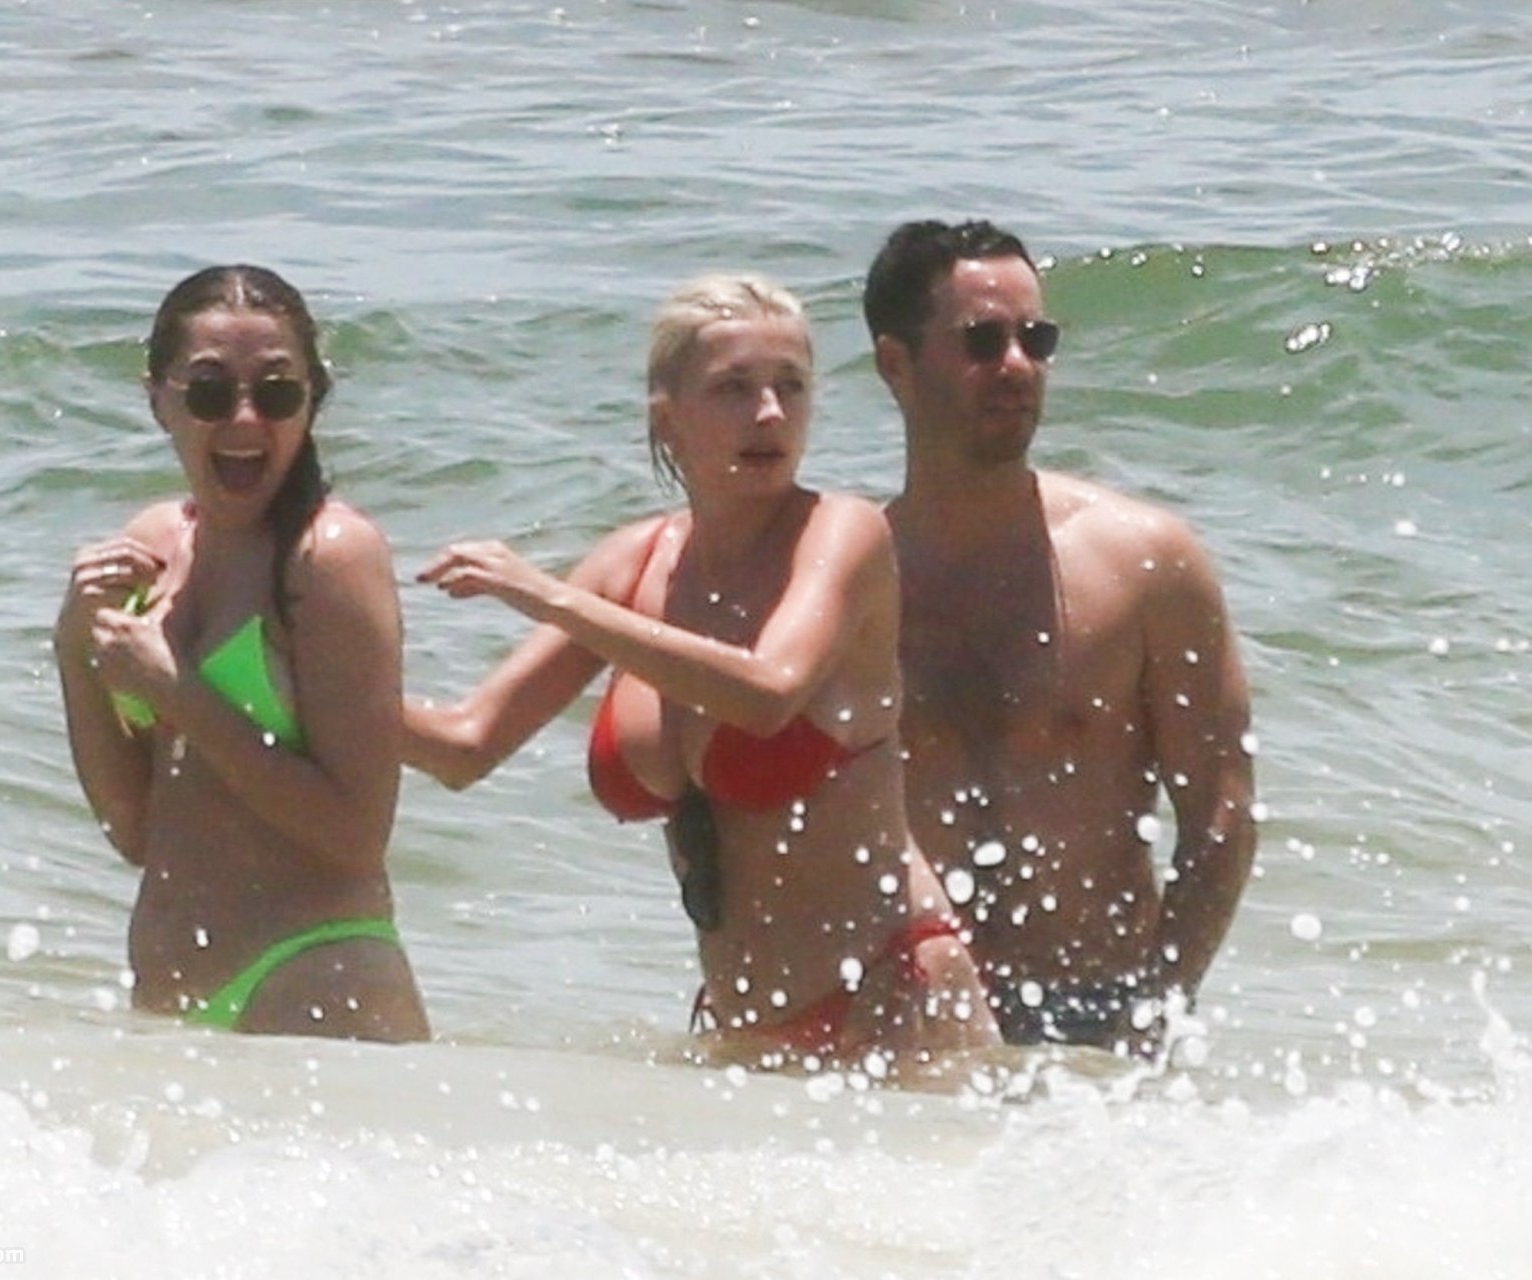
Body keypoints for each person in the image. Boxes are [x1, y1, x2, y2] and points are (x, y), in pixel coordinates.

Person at [404, 273, 999, 1076]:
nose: (770, 413)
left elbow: (768, 692)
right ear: (668, 418)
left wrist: (549, 597)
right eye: (733, 388)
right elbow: (463, 745)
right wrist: (278, 680)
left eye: (791, 385)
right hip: (738, 1026)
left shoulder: (841, 534)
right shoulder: (632, 563)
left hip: (891, 993)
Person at [863, 220, 1258, 1055]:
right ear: (896, 365)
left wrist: (1154, 1012)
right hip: (912, 1017)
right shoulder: (849, 580)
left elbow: (1221, 815)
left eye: (1035, 339)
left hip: (1096, 1013)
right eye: (982, 341)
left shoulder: (1147, 563)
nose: (1016, 365)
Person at [54, 265, 429, 1042]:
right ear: (157, 399)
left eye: (278, 393)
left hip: (315, 974)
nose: (246, 420)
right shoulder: (154, 544)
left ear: (313, 400)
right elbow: (133, 829)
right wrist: (73, 646)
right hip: (173, 1005)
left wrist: (179, 693)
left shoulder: (329, 557)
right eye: (210, 392)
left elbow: (356, 836)